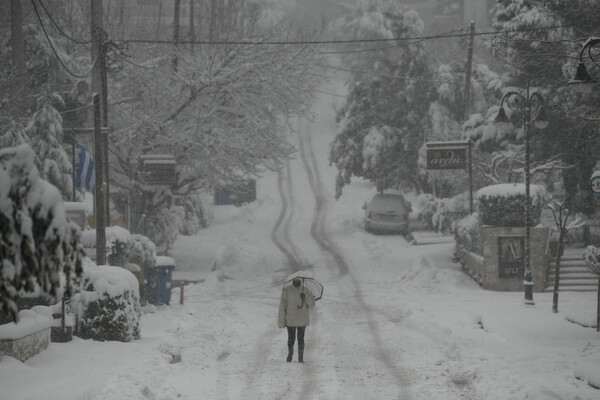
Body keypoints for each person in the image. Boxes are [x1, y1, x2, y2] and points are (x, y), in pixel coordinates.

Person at [278, 278, 315, 363]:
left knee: (301, 339)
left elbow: (312, 304)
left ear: (301, 281)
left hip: (302, 319)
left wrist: (305, 297)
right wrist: (281, 322)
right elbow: (282, 306)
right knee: (291, 338)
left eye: (298, 281)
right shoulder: (286, 291)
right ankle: (290, 355)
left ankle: (300, 358)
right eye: (295, 281)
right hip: (290, 319)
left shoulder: (306, 290)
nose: (297, 283)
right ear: (292, 281)